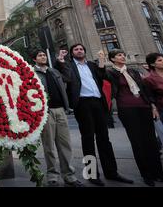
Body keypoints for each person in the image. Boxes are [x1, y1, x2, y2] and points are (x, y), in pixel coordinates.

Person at [55, 44, 132, 186]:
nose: (79, 51)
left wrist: (101, 60)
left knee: (104, 138)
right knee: (88, 139)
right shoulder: (70, 66)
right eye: (76, 49)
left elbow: (103, 76)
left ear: (85, 51)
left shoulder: (92, 65)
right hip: (82, 104)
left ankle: (112, 172)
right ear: (72, 53)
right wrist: (60, 59)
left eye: (81, 49)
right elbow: (63, 74)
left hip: (98, 103)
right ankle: (91, 174)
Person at [105, 49, 163, 186]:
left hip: (143, 106)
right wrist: (102, 61)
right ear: (113, 59)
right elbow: (103, 78)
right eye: (119, 55)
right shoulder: (111, 73)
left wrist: (152, 105)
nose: (123, 57)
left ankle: (159, 173)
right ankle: (146, 174)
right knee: (137, 142)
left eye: (123, 54)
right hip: (127, 109)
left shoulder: (132, 71)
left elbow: (144, 89)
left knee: (151, 141)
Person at [32, 49, 84, 187]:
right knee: (49, 146)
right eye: (40, 55)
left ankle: (69, 175)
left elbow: (68, 77)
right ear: (34, 59)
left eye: (44, 55)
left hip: (60, 110)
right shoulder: (31, 73)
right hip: (45, 113)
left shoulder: (54, 71)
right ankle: (52, 176)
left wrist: (61, 62)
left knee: (65, 144)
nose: (43, 57)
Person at [144, 53, 163, 127]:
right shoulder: (149, 79)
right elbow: (149, 96)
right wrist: (154, 108)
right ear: (152, 64)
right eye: (160, 60)